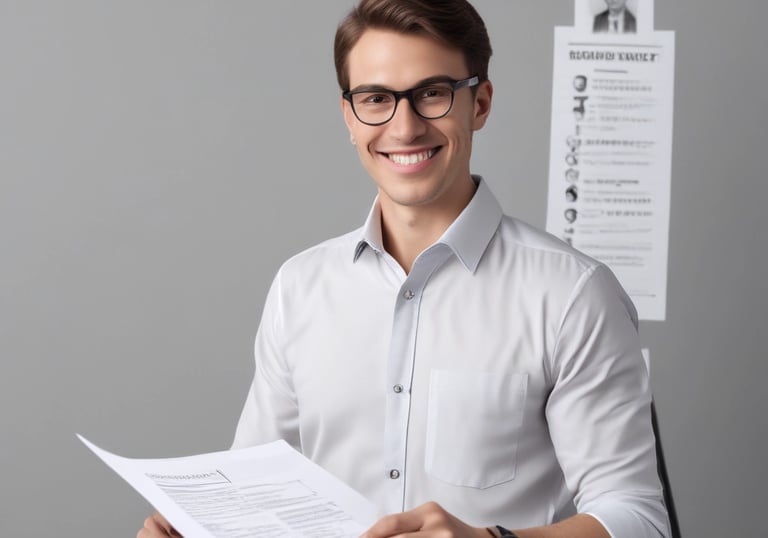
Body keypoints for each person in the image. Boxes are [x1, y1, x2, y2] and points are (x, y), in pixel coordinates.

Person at [139, 1, 669, 537]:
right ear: (349, 116)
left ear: (480, 103)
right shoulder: (299, 288)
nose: (405, 126)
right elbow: (253, 497)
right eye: (376, 99)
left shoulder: (572, 294)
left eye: (433, 93)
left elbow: (638, 519)